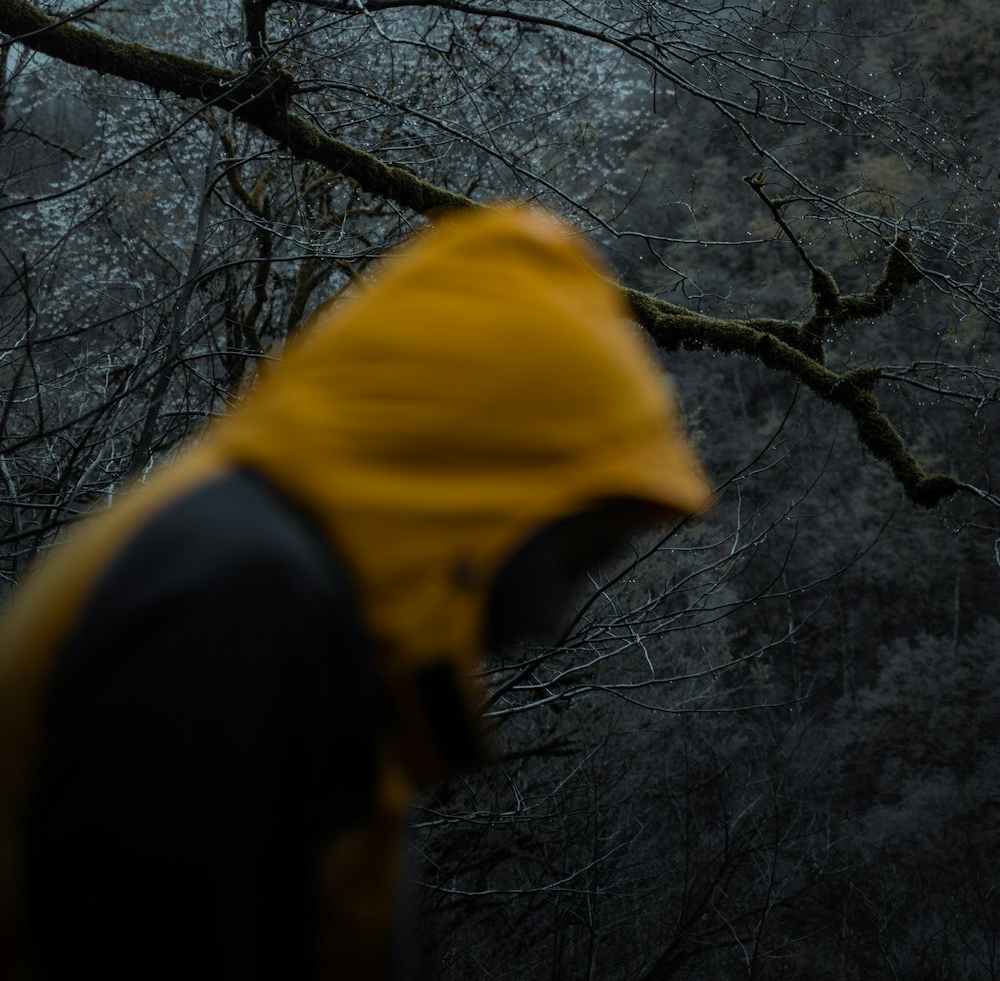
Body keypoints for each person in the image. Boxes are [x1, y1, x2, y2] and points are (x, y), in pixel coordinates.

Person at [0, 203, 711, 979]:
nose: (553, 617)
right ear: (469, 477)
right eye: (578, 550)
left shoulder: (286, 588)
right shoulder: (234, 606)